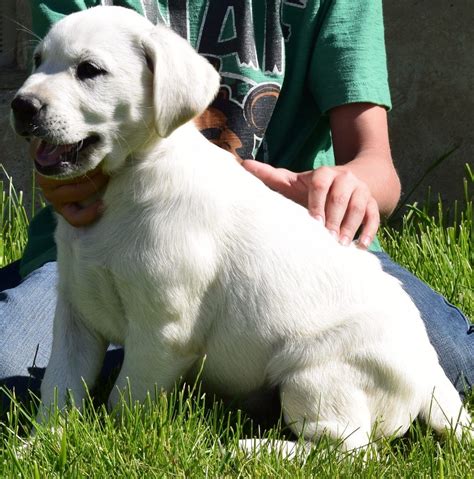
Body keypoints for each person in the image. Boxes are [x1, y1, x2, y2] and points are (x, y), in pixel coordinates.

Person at [1, 0, 472, 413]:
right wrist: (64, 177)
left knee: (450, 365)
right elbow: (55, 116)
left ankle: (196, 368)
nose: (33, 87)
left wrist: (345, 188)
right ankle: (192, 365)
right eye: (39, 62)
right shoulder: (91, 33)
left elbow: (378, 168)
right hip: (92, 233)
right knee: (9, 368)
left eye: (89, 71)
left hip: (308, 244)